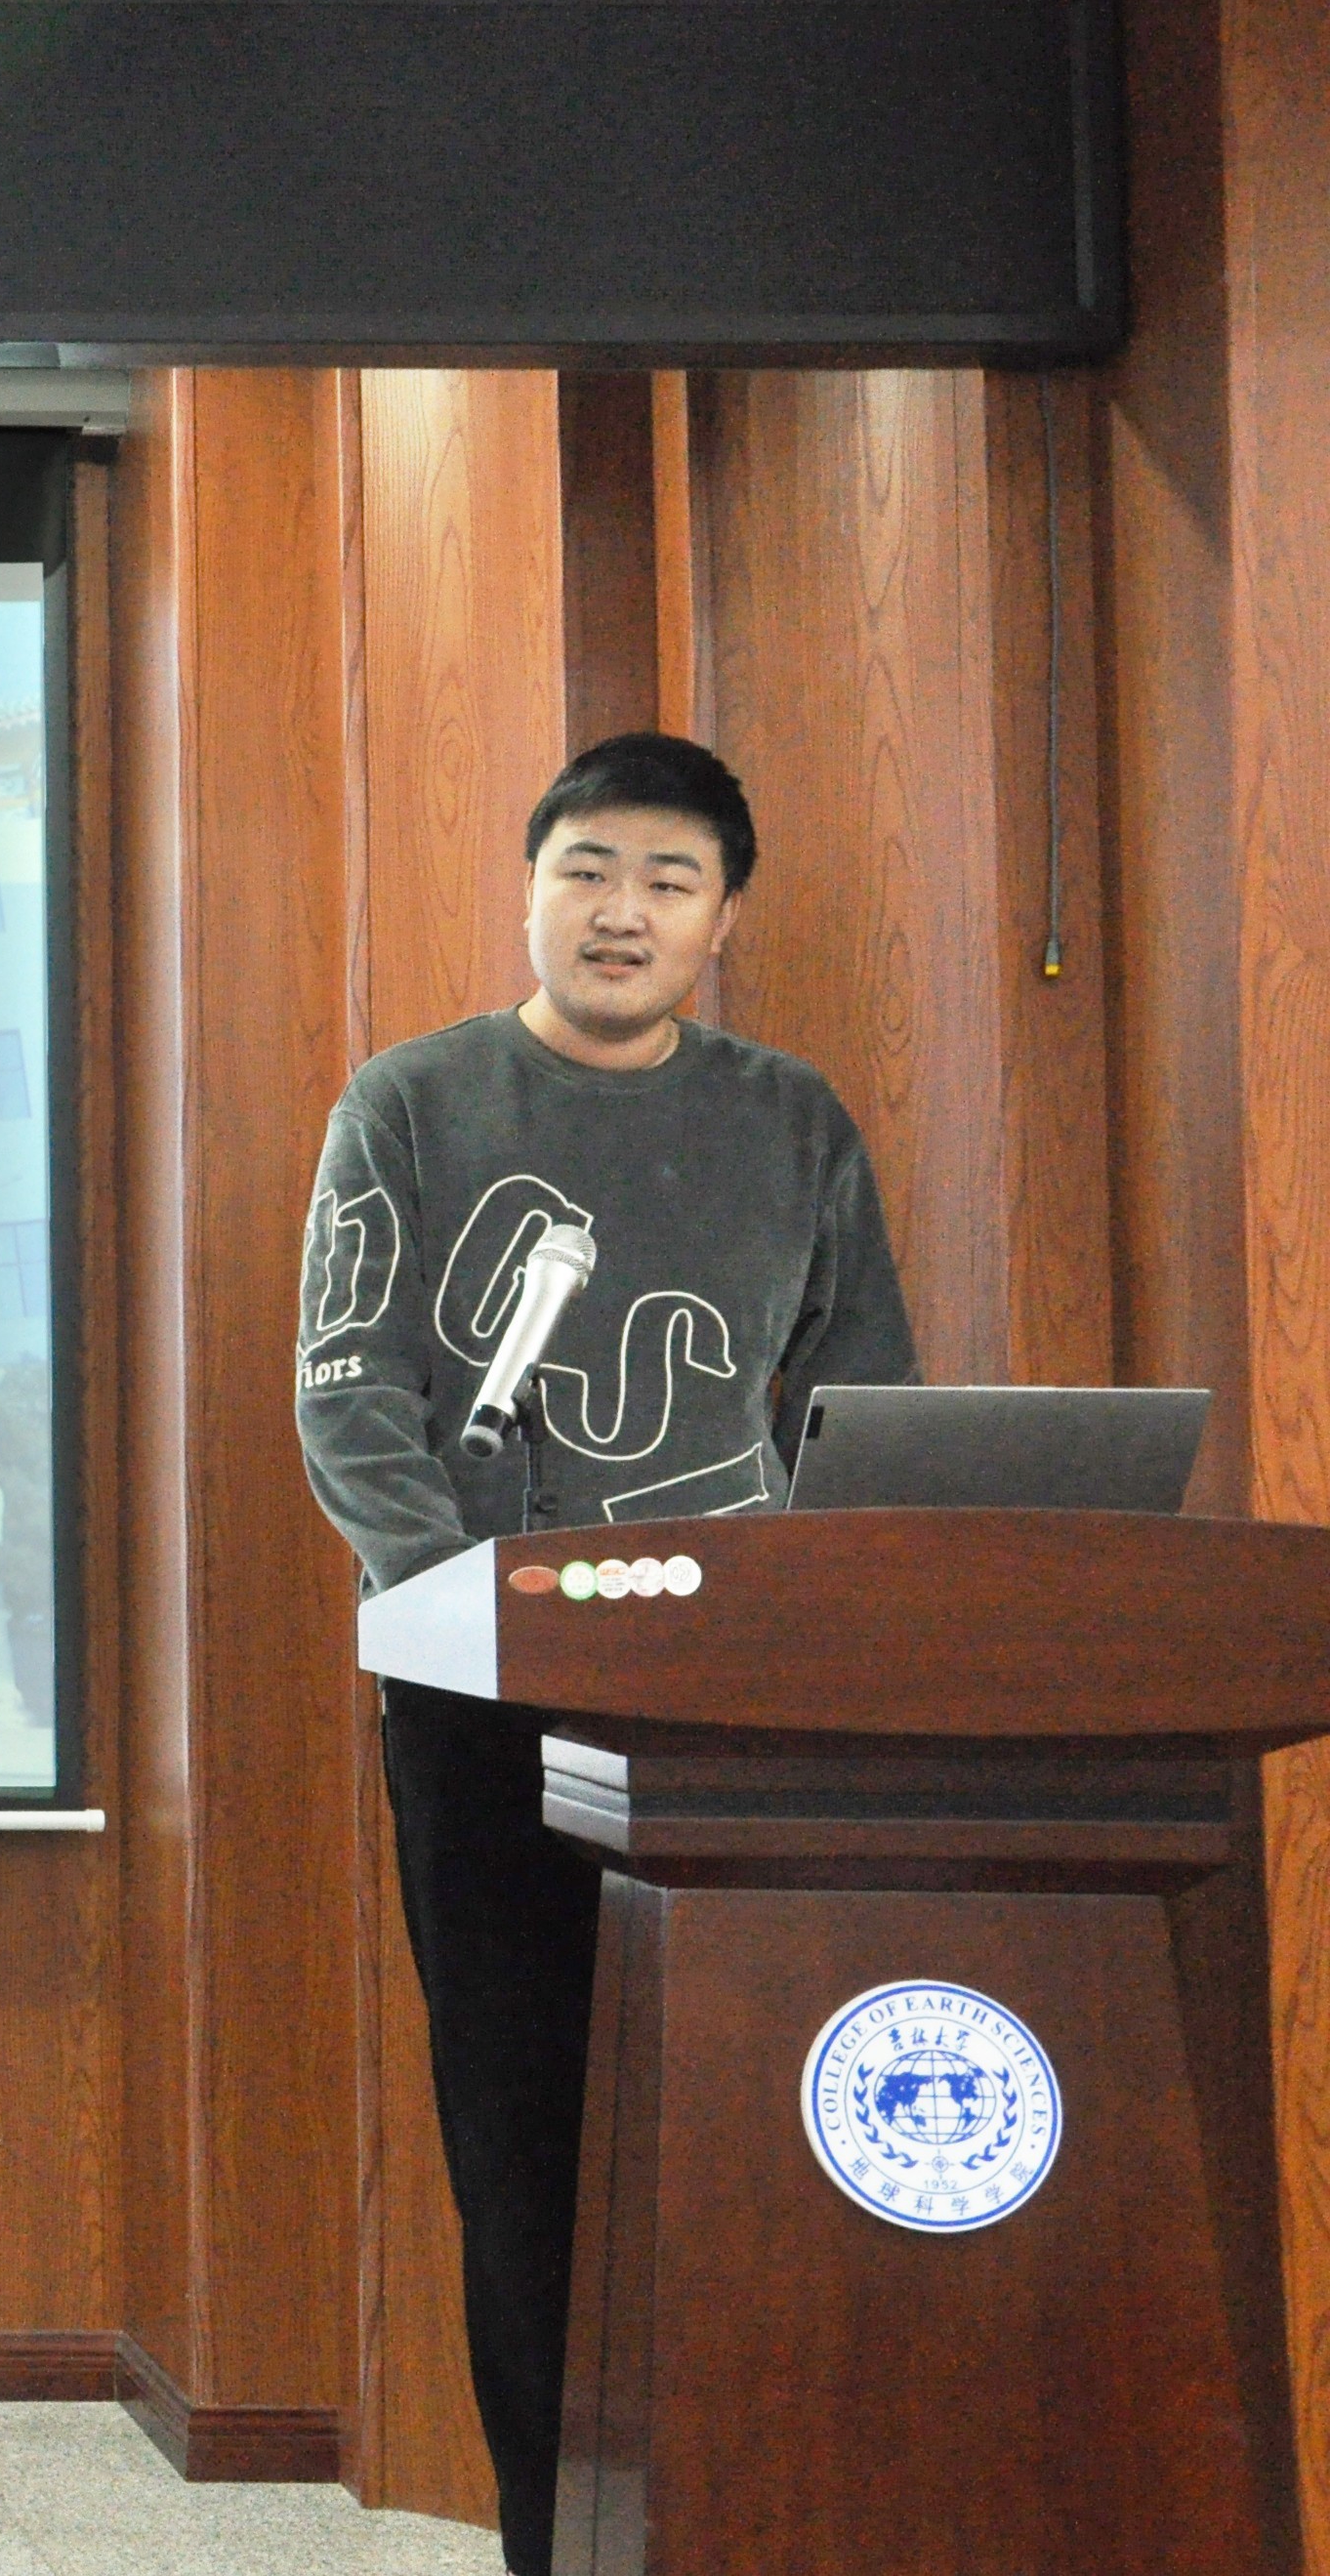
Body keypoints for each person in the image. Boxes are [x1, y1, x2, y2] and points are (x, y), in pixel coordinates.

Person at [294, 731, 914, 2576]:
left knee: (747, 2135)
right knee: (527, 2141)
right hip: (482, 1703)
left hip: (736, 1710)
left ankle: (742, 2524)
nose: (621, 910)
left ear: (724, 919)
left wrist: (828, 1631)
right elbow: (352, 1401)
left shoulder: (792, 1121)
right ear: (532, 889)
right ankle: (553, 2546)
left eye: (667, 879)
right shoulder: (412, 1103)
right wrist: (477, 1613)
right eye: (587, 869)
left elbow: (860, 1404)